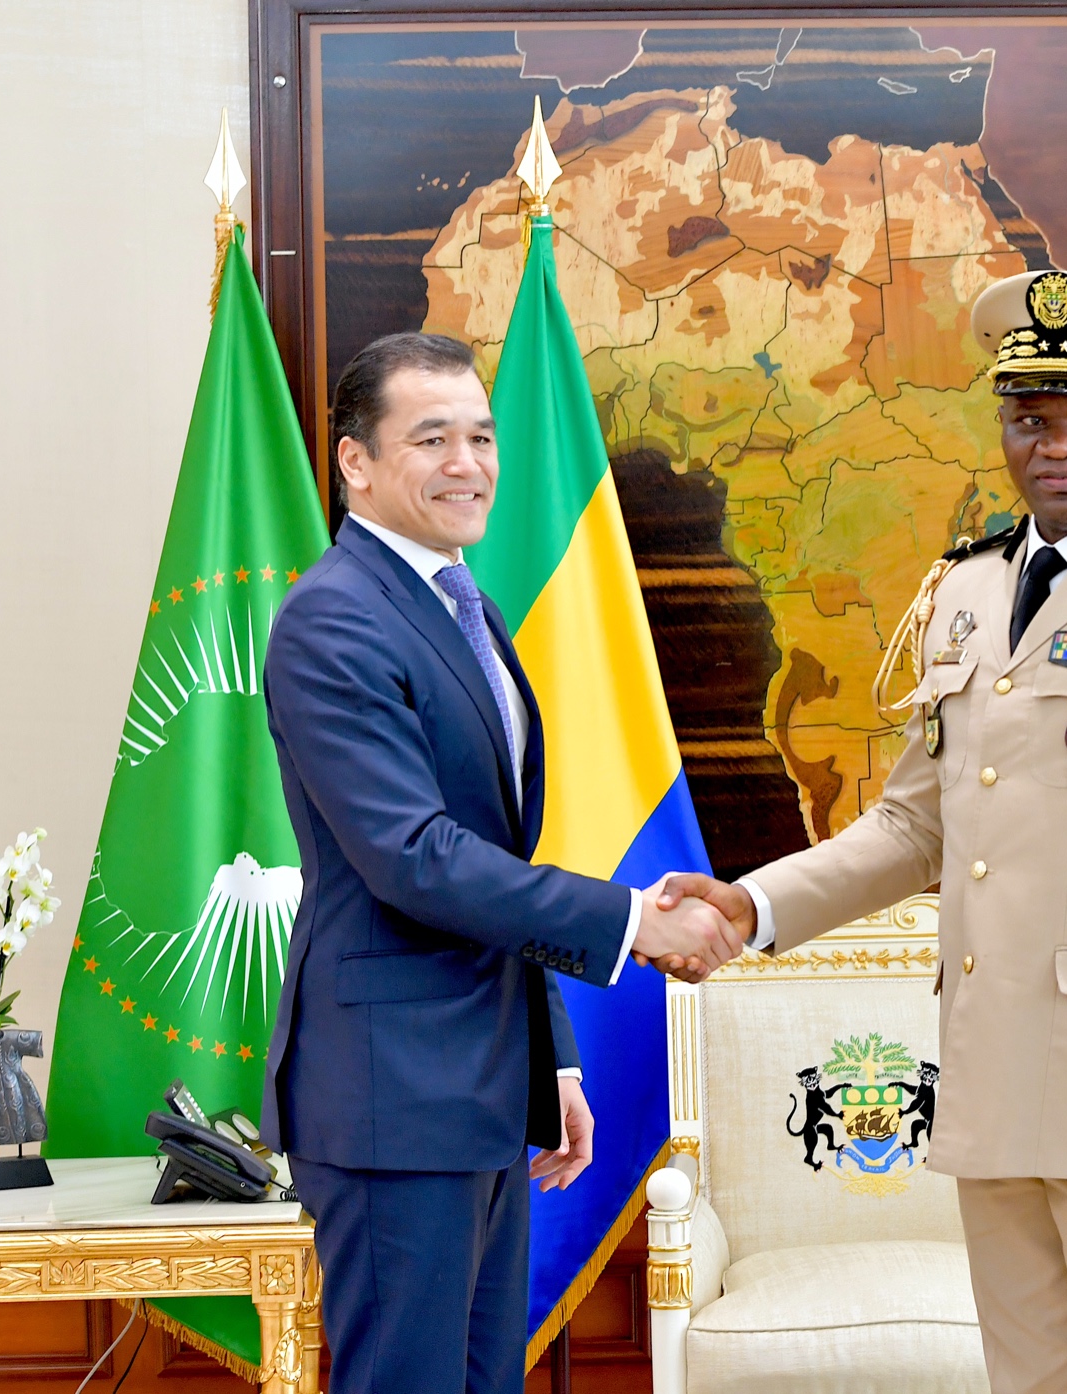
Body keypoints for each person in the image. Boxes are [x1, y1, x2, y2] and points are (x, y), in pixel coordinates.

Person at [656, 270, 1067, 1394]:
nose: (1059, 447)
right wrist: (752, 905)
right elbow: (916, 822)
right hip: (996, 1090)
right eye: (1031, 419)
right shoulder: (965, 589)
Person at [260, 332, 740, 1394]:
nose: (468, 463)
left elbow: (492, 857)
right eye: (431, 438)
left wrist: (550, 1058)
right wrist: (633, 920)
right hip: (392, 1098)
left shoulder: (457, 603)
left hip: (474, 1086)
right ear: (354, 462)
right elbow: (416, 858)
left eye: (480, 437)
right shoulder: (334, 619)